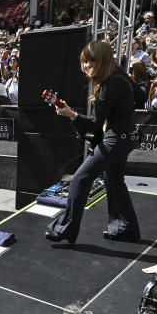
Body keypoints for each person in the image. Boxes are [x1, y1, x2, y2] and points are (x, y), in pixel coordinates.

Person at [46, 40, 140, 243]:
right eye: (84, 61)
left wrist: (71, 114)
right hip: (126, 136)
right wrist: (117, 118)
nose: (87, 65)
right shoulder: (119, 74)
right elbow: (138, 95)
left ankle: (66, 229)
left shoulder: (109, 84)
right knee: (114, 181)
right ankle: (126, 228)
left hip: (118, 139)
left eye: (91, 61)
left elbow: (94, 124)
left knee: (80, 179)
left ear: (103, 60)